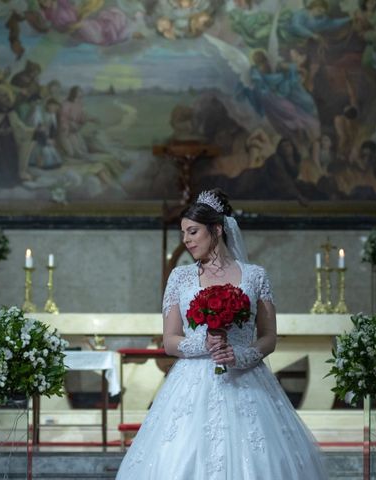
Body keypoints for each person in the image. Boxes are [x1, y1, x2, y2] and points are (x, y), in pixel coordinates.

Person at [116, 189, 327, 479]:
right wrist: (203, 343)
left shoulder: (255, 276)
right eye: (183, 233)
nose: (186, 240)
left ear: (216, 229)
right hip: (192, 381)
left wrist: (240, 354)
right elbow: (170, 340)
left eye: (193, 232)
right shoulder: (180, 277)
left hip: (246, 378)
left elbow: (268, 337)